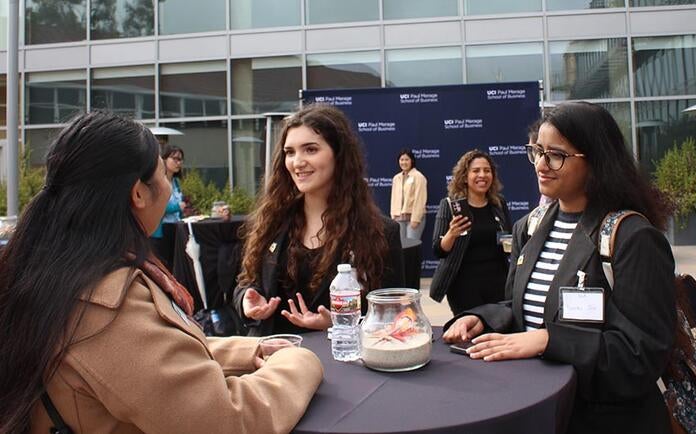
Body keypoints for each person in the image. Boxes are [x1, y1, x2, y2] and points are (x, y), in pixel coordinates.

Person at [0, 112, 323, 434]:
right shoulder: (106, 305)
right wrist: (301, 361)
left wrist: (248, 350)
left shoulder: (58, 269)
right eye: (161, 172)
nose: (298, 162)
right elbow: (225, 420)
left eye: (311, 149)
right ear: (138, 193)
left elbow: (151, 358)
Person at [443, 102, 676, 434]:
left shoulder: (632, 238)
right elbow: (521, 305)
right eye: (537, 151)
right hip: (542, 412)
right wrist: (482, 318)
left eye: (556, 155)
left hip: (606, 421)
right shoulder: (530, 227)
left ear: (595, 161)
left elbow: (639, 356)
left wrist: (549, 341)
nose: (541, 164)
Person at [233, 104, 405, 336]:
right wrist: (247, 300)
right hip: (275, 364)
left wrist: (340, 324)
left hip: (342, 365)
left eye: (310, 150)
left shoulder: (381, 233)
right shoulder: (270, 224)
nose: (297, 162)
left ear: (339, 155)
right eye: (290, 152)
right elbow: (247, 281)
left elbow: (397, 317)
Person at [429, 149, 512, 315]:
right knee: (470, 335)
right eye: (476, 171)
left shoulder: (498, 203)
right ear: (465, 177)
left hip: (498, 282)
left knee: (498, 330)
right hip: (463, 285)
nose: (482, 175)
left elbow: (507, 237)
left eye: (487, 170)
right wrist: (452, 233)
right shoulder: (450, 205)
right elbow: (438, 250)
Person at [150, 144, 187, 267]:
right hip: (161, 230)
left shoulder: (176, 182)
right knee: (164, 265)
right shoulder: (157, 181)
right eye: (174, 158)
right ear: (164, 159)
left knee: (175, 264)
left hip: (176, 228)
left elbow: (180, 206)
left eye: (180, 159)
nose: (178, 162)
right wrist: (177, 207)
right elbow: (156, 205)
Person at [390, 149, 428, 240]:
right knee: (401, 248)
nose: (404, 162)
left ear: (412, 161)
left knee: (412, 248)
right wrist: (393, 216)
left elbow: (420, 199)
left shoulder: (419, 177)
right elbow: (393, 198)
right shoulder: (396, 178)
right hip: (399, 219)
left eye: (406, 159)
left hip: (413, 218)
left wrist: (416, 219)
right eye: (401, 160)